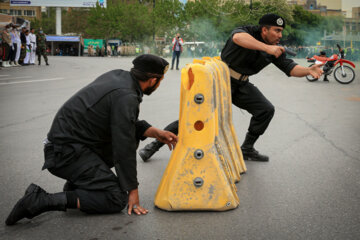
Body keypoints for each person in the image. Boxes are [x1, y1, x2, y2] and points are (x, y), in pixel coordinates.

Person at [5, 54, 177, 226]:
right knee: (116, 198)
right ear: (153, 80)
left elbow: (123, 123)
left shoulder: (119, 77)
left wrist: (155, 133)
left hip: (65, 146)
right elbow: (123, 146)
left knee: (129, 137)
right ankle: (40, 200)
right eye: (160, 80)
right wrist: (132, 190)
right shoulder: (126, 95)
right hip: (65, 153)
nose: (159, 84)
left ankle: (80, 186)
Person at [138, 13, 323, 162]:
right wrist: (266, 49)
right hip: (221, 81)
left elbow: (290, 69)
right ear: (264, 29)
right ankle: (154, 145)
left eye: (281, 31)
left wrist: (308, 70)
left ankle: (247, 148)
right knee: (195, 116)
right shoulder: (248, 32)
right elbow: (238, 38)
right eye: (276, 30)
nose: (280, 35)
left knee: (266, 110)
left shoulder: (275, 48)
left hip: (241, 84)